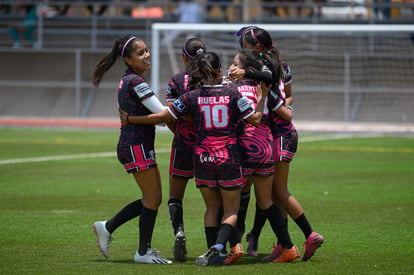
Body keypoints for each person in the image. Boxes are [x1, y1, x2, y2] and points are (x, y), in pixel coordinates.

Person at [120, 51, 268, 267]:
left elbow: (164, 116)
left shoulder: (191, 96)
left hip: (202, 158)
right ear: (219, 71)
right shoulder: (233, 94)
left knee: (211, 208)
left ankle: (213, 254)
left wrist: (131, 118)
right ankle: (218, 248)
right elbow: (254, 119)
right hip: (227, 156)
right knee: (230, 210)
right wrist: (261, 97)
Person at [234, 26, 324, 262]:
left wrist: (244, 74)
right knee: (273, 193)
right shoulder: (269, 64)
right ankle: (283, 245)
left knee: (279, 191)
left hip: (280, 134)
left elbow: (274, 89)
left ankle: (309, 234)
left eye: (245, 45)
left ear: (257, 48)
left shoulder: (270, 66)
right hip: (275, 133)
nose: (241, 49)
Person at [91, 34, 172, 264]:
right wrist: (188, 102)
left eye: (146, 50)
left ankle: (108, 227)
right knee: (153, 198)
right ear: (127, 59)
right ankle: (142, 252)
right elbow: (163, 115)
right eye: (140, 53)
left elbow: (159, 116)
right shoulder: (135, 81)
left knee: (152, 198)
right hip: (135, 145)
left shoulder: (130, 79)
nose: (147, 55)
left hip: (137, 144)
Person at [224, 49, 300, 265]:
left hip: (246, 147)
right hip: (265, 145)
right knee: (266, 202)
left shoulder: (232, 88)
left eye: (234, 62)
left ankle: (234, 246)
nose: (231, 66)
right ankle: (288, 247)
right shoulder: (263, 87)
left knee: (234, 202)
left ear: (243, 69)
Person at [164, 37, 207, 262]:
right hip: (209, 145)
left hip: (183, 143)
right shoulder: (214, 79)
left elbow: (170, 116)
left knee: (175, 195)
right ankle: (218, 244)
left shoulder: (177, 80)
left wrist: (179, 131)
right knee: (214, 199)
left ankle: (179, 231)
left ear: (184, 57)